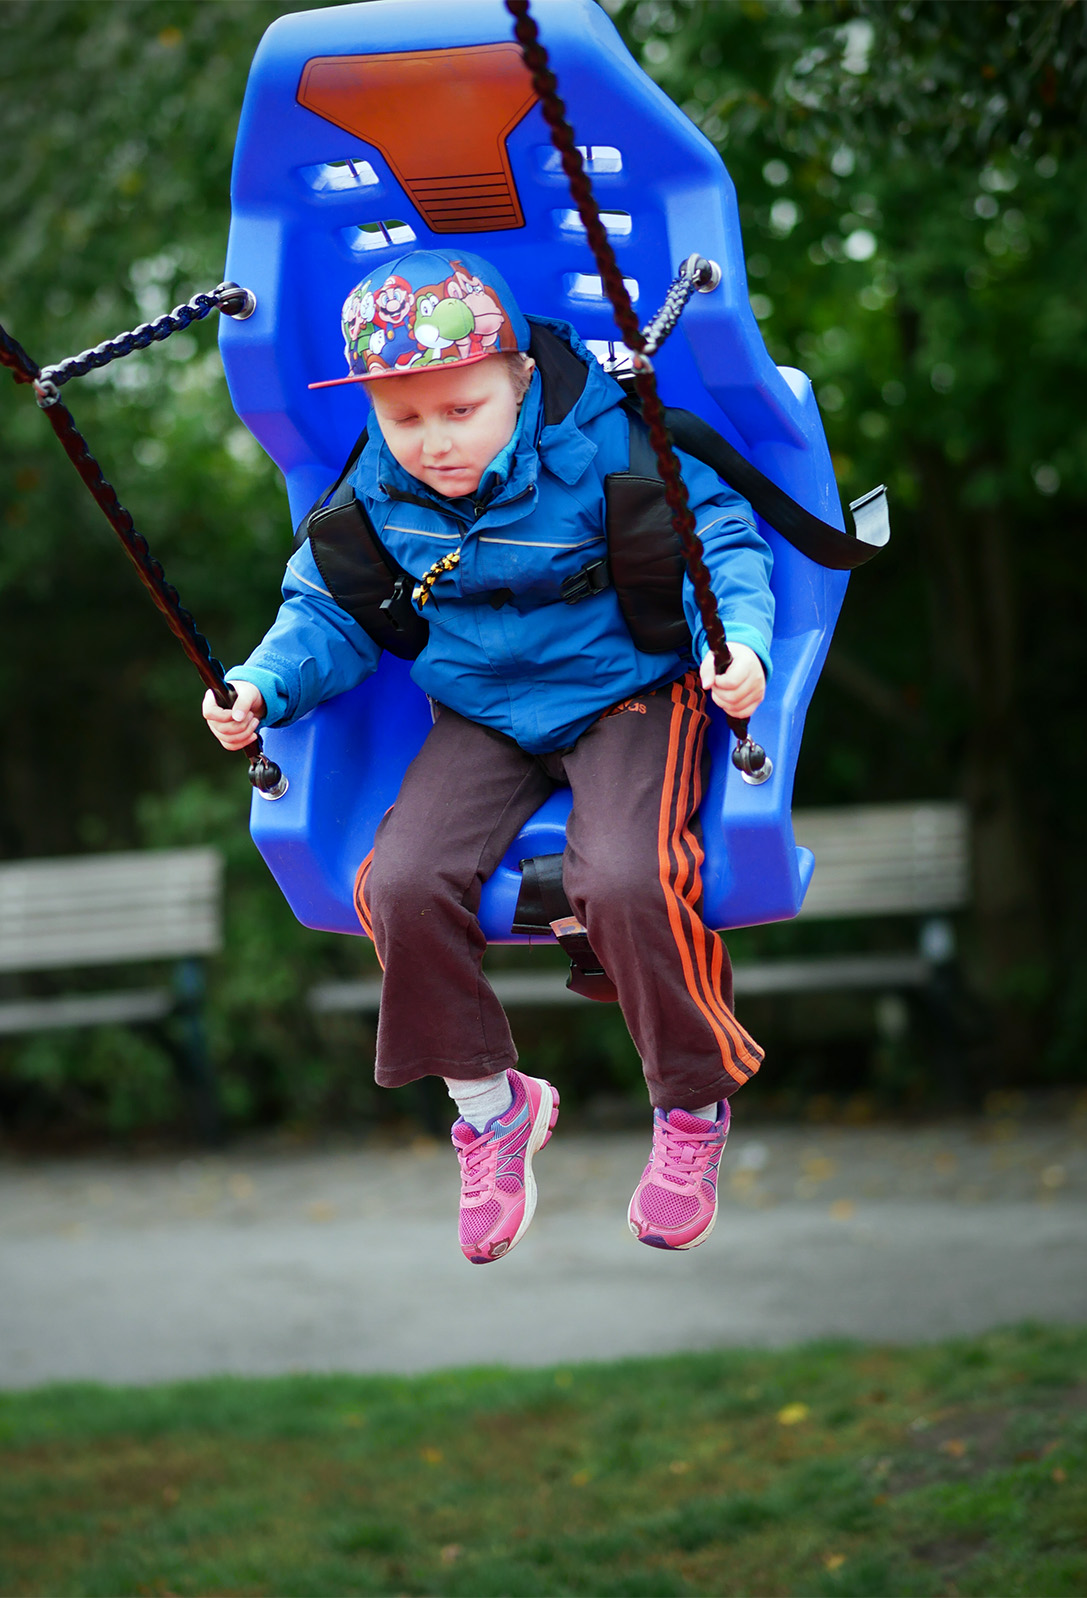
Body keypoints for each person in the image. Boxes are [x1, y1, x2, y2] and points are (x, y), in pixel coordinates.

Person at [204, 248, 773, 1264]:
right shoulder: (377, 491)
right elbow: (327, 610)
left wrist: (741, 640)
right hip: (482, 711)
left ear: (516, 376)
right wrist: (259, 683)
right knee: (404, 880)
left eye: (460, 410)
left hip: (630, 687)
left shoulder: (605, 443)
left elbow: (716, 540)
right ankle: (490, 1104)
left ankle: (691, 1104)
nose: (432, 441)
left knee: (628, 876)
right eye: (405, 418)